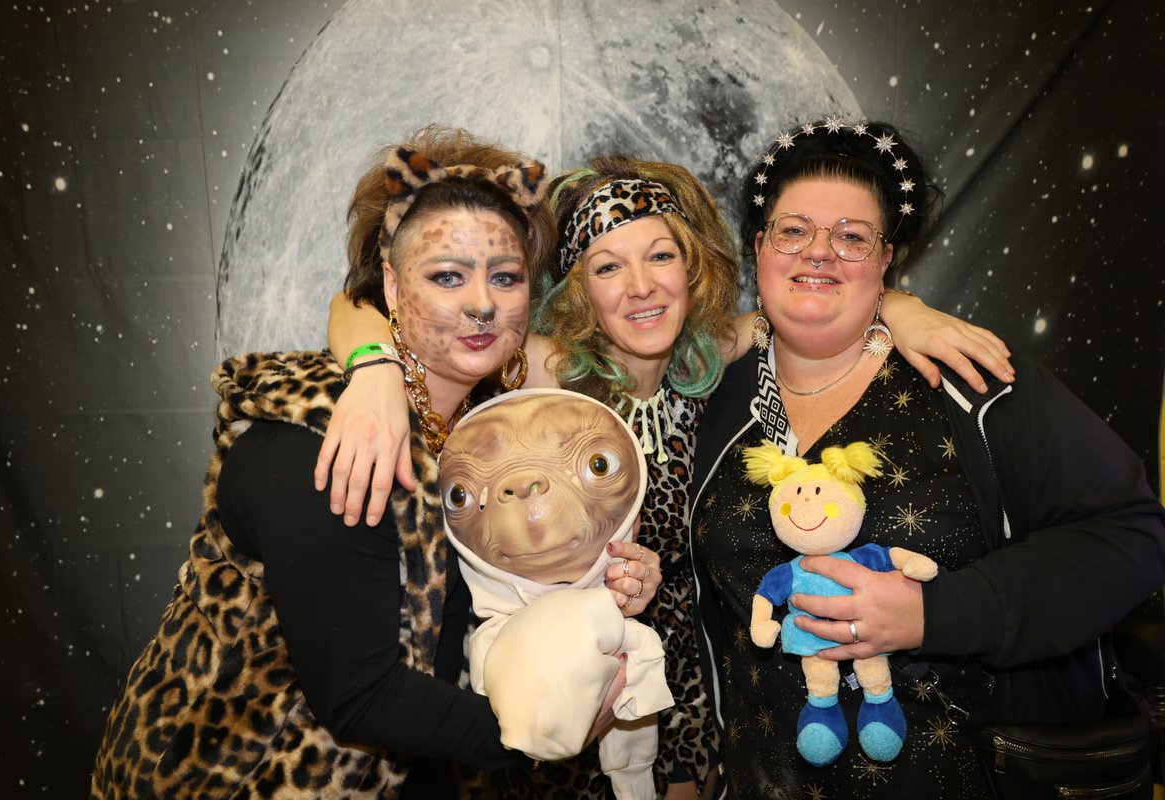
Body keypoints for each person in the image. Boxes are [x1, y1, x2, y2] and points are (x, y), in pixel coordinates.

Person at [320, 153, 1017, 799]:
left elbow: (822, 298)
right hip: (576, 696)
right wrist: (373, 368)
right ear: (579, 290)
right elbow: (361, 303)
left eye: (661, 255)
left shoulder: (710, 364)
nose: (642, 286)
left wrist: (904, 309)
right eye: (608, 267)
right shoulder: (545, 372)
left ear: (693, 267)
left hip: (695, 696)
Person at [89, 126, 660, 799]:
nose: (482, 303)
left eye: (505, 277)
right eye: (446, 276)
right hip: (237, 778)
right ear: (390, 284)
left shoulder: (480, 430)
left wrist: (599, 583)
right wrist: (546, 733)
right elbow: (360, 697)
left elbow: (468, 614)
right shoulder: (324, 442)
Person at [686, 116, 1165, 798]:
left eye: (852, 237)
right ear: (760, 247)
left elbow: (1130, 537)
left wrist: (934, 614)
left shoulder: (975, 384)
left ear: (885, 259)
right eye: (793, 231)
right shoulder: (711, 399)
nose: (819, 252)